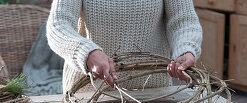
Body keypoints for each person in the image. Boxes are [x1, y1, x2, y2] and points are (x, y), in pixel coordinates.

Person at [46, 0, 202, 93]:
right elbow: (58, 25)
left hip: (153, 95)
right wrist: (86, 53)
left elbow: (184, 20)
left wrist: (186, 48)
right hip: (88, 95)